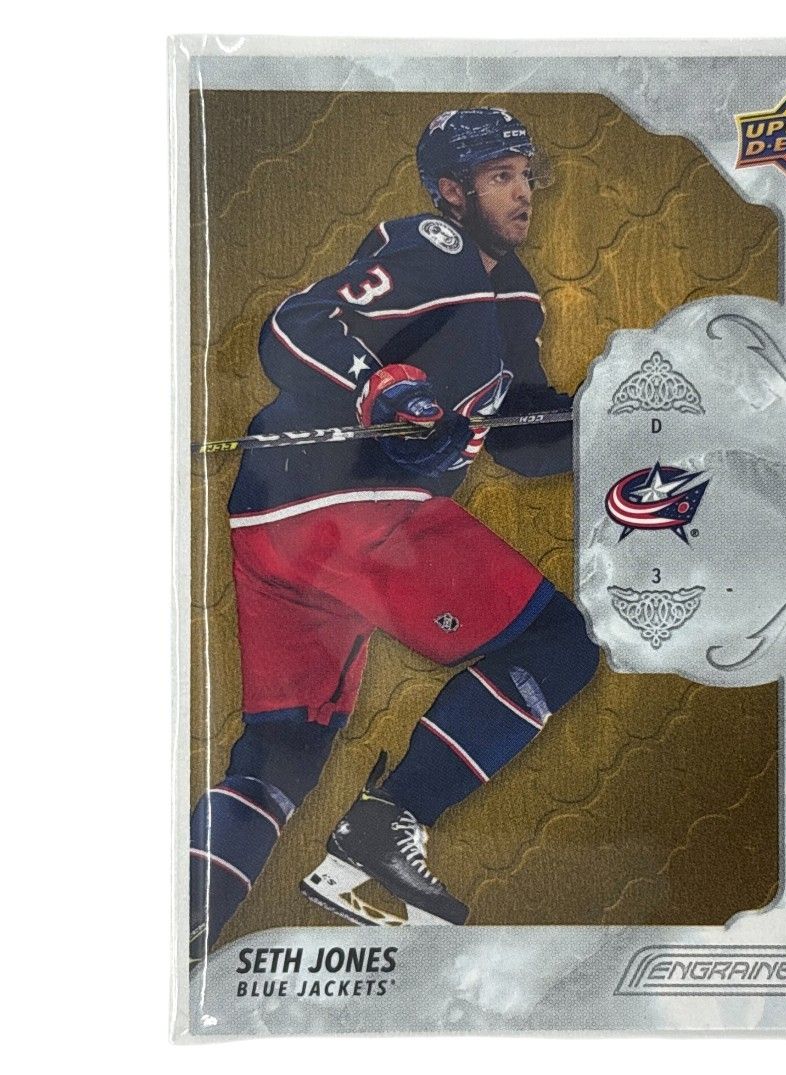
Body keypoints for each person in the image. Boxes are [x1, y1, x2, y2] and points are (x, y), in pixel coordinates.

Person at [190, 107, 600, 957]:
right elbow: (296, 326)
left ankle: (171, 933)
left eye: (526, 174)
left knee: (283, 749)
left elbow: (520, 440)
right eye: (499, 176)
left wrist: (614, 424)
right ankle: (385, 829)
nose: (522, 192)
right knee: (557, 644)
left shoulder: (514, 293)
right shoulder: (431, 248)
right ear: (450, 190)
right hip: (348, 507)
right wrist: (382, 390)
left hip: (280, 526)